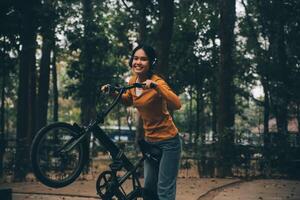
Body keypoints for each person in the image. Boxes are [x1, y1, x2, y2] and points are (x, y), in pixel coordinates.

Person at [101, 44, 182, 200]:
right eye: (136, 58)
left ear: (151, 63)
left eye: (143, 59)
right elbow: (128, 100)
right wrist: (112, 92)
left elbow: (177, 104)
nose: (138, 62)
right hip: (150, 143)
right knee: (149, 191)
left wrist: (157, 87)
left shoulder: (157, 82)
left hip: (169, 143)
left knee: (164, 190)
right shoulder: (133, 81)